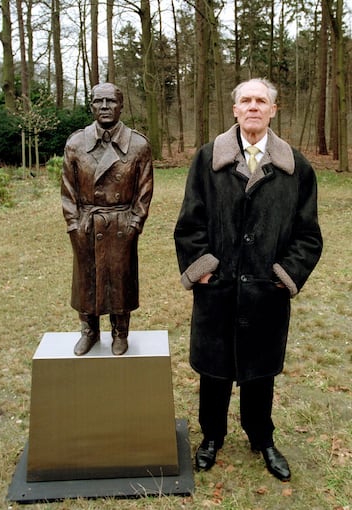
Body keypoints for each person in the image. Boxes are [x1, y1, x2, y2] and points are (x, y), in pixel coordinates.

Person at [174, 78, 322, 481]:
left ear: (273, 110)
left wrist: (285, 274)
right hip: (217, 289)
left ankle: (262, 438)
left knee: (260, 370)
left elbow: (308, 236)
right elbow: (190, 225)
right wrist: (201, 269)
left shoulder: (297, 167)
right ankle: (211, 437)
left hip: (266, 292)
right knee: (214, 370)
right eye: (245, 100)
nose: (253, 106)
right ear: (235, 110)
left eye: (261, 100)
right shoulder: (208, 159)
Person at [61, 83, 153, 356]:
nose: (104, 107)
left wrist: (134, 223)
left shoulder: (138, 145)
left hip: (121, 224)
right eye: (98, 101)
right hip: (87, 223)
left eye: (110, 101)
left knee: (120, 281)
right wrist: (74, 224)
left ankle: (120, 331)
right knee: (87, 280)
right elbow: (68, 190)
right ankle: (88, 330)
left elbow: (144, 191)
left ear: (121, 106)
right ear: (90, 106)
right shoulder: (76, 143)